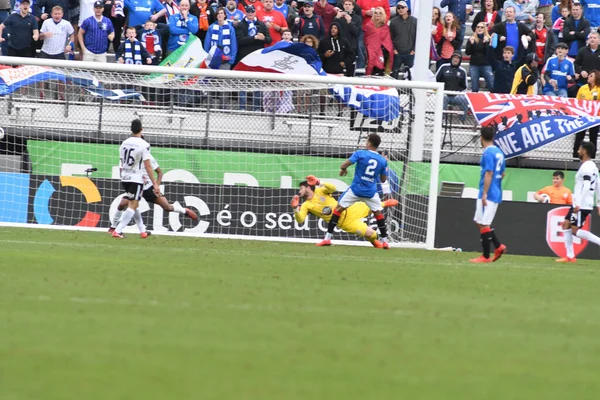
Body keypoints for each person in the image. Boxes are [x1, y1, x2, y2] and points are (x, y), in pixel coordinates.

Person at [317, 133, 391, 248]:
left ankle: (327, 239)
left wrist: (343, 169)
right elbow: (383, 180)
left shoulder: (360, 153)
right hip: (370, 192)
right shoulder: (382, 160)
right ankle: (385, 241)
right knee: (378, 214)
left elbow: (344, 164)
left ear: (369, 143)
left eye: (367, 141)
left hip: (355, 190)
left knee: (338, 210)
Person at [291, 176, 399, 248]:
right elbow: (300, 220)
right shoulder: (306, 205)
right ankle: (374, 241)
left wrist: (319, 182)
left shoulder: (320, 191)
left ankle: (385, 203)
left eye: (301, 188)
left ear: (308, 188)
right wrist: (295, 209)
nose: (299, 191)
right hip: (345, 223)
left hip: (349, 208)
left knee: (371, 207)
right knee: (372, 234)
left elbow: (333, 188)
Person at [109, 150, 198, 234]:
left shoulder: (148, 157)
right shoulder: (127, 158)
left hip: (148, 187)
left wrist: (156, 187)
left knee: (167, 207)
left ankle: (184, 211)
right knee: (122, 204)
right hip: (135, 186)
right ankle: (113, 227)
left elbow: (159, 173)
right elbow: (122, 173)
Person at [112, 119, 160, 239]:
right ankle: (118, 230)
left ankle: (142, 230)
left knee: (134, 203)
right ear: (142, 129)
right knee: (133, 204)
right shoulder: (144, 144)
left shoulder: (124, 143)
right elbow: (148, 166)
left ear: (131, 129)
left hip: (125, 177)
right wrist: (155, 183)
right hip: (136, 178)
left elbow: (122, 162)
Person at [557, 141, 600, 262]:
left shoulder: (586, 167)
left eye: (580, 149)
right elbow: (598, 184)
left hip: (582, 204)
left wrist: (579, 204)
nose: (578, 151)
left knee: (575, 231)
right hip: (582, 203)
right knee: (566, 225)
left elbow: (587, 185)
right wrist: (599, 203)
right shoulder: (593, 167)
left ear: (585, 151)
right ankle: (570, 256)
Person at [470, 126, 507, 263]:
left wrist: (485, 193)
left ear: (481, 138)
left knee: (484, 223)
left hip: (488, 193)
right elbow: (502, 174)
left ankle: (485, 256)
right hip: (494, 191)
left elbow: (489, 172)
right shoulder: (499, 152)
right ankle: (498, 246)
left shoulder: (487, 153)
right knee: (479, 221)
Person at [574, 70, 600, 158]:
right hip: (583, 116)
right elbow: (577, 101)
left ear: (596, 78)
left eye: (591, 76)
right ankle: (575, 156)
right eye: (589, 75)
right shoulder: (582, 88)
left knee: (593, 137)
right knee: (579, 137)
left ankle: (592, 157)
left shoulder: (599, 89)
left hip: (595, 117)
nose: (588, 77)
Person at [436, 52, 469, 120]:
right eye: (454, 57)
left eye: (457, 58)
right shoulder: (444, 67)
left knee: (465, 100)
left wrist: (457, 93)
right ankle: (441, 120)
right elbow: (435, 79)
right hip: (444, 94)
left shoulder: (462, 71)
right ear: (451, 58)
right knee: (443, 98)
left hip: (456, 96)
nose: (455, 59)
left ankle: (462, 120)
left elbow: (465, 86)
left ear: (460, 60)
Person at [466, 21, 494, 92]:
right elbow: (467, 52)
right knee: (474, 87)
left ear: (485, 29)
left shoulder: (489, 39)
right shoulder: (471, 38)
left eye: (482, 27)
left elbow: (489, 53)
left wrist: (486, 43)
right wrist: (471, 44)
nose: (479, 28)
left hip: (486, 65)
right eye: (478, 27)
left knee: (492, 85)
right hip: (474, 65)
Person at [363, 6, 392, 76]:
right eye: (375, 13)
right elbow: (366, 39)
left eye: (380, 13)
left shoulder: (385, 27)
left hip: (382, 54)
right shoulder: (368, 26)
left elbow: (388, 43)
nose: (377, 14)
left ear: (383, 15)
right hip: (369, 52)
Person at [389, 1, 417, 71]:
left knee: (410, 74)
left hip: (410, 53)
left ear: (407, 8)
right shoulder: (393, 21)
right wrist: (394, 49)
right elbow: (390, 37)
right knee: (394, 73)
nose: (400, 9)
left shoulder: (415, 21)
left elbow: (417, 37)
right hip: (397, 53)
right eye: (398, 8)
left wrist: (414, 50)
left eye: (402, 7)